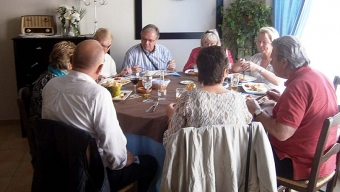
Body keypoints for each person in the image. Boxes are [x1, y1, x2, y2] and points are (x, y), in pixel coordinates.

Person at [42, 40, 157, 192]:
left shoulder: (50, 85)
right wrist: (125, 160)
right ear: (101, 68)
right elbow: (115, 154)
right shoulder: (98, 94)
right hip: (91, 177)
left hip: (56, 166)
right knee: (150, 163)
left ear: (71, 61)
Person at [246, 35, 338, 180]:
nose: (270, 61)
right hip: (324, 160)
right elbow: (308, 108)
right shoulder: (318, 75)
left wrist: (256, 110)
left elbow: (281, 132)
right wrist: (283, 100)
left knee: (245, 153)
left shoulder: (298, 86)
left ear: (284, 62)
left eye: (273, 58)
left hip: (298, 164)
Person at [163, 46, 252, 146]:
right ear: (225, 72)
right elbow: (246, 134)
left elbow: (170, 144)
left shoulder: (187, 98)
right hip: (232, 160)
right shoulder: (239, 99)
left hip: (196, 160)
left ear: (199, 71)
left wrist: (171, 117)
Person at [29, 41, 76, 121]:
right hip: (44, 124)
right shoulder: (55, 82)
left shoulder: (47, 74)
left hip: (43, 121)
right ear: (69, 64)